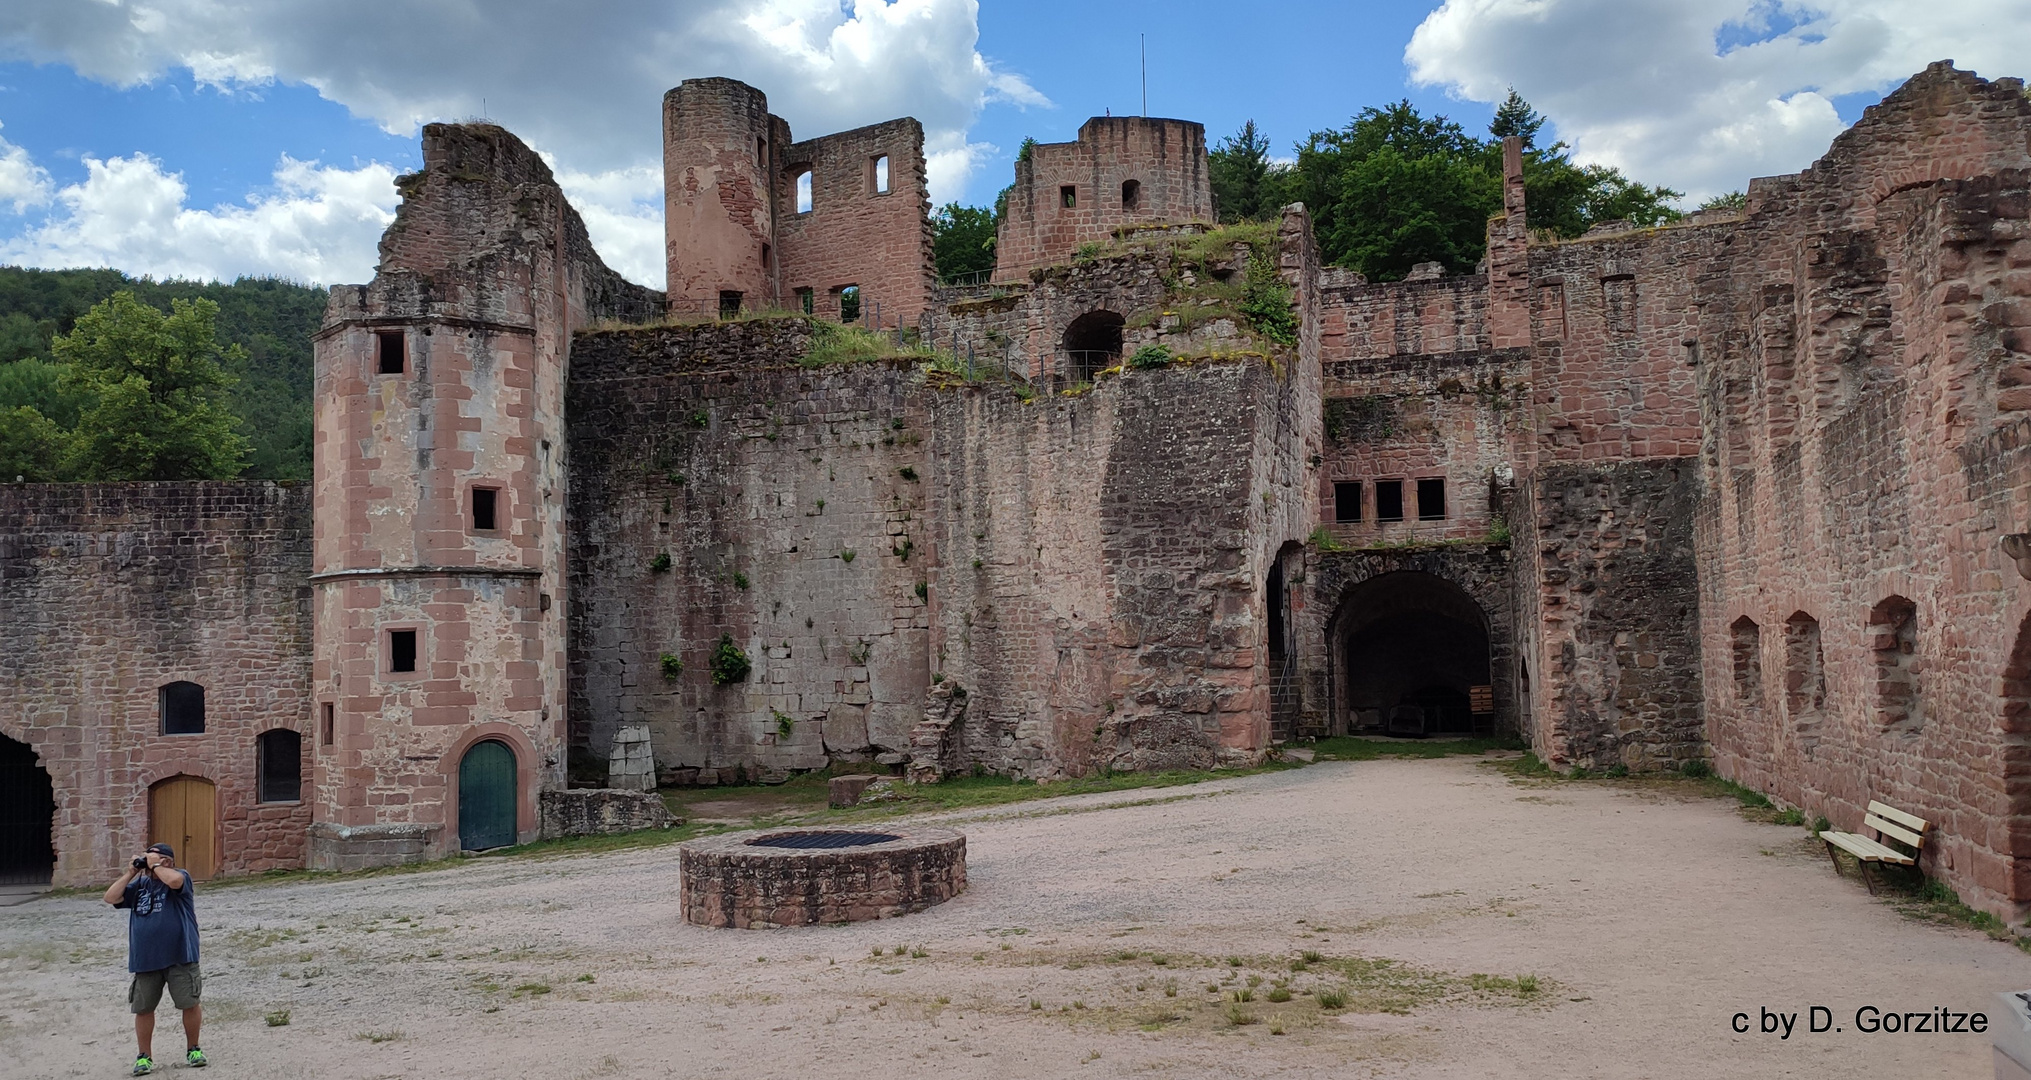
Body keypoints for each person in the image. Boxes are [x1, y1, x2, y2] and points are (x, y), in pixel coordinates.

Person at [103, 842, 206, 1074]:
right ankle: (144, 1056)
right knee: (143, 1008)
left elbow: (174, 882)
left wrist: (156, 865)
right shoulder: (139, 885)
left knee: (189, 1003)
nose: (148, 862)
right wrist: (131, 872)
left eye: (155, 858)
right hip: (146, 959)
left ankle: (194, 1049)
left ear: (168, 861)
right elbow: (110, 897)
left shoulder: (181, 876)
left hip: (180, 955)